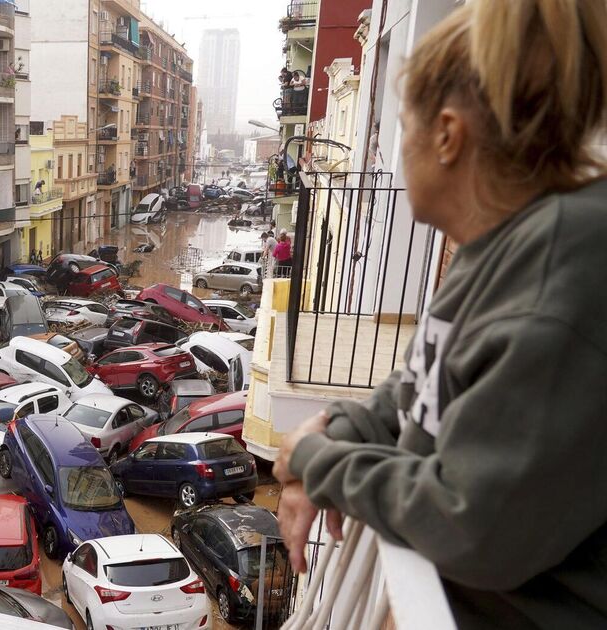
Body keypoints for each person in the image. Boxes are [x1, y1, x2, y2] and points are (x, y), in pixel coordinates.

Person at [272, 1, 607, 628]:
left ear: (448, 135)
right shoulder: (500, 248)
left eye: (402, 125)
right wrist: (337, 435)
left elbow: (473, 525)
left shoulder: (562, 274)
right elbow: (414, 389)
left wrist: (313, 461)